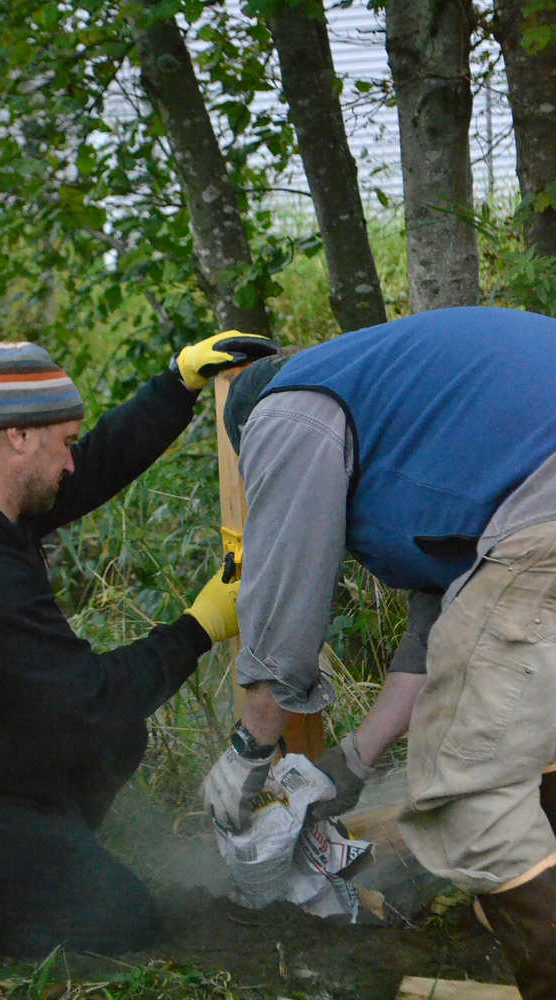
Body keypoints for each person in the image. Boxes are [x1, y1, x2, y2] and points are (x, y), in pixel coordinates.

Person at [202, 306, 556, 1000]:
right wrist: (354, 762)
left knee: (471, 796)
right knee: (537, 752)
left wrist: (251, 743)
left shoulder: (286, 407)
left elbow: (287, 586)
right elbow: (450, 623)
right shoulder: (416, 410)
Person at [0, 331, 276, 958]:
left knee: (116, 737)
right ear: (19, 436)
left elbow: (91, 469)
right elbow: (89, 698)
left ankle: (40, 847)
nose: (74, 462)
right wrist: (198, 628)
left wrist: (177, 385)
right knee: (119, 919)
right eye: (65, 443)